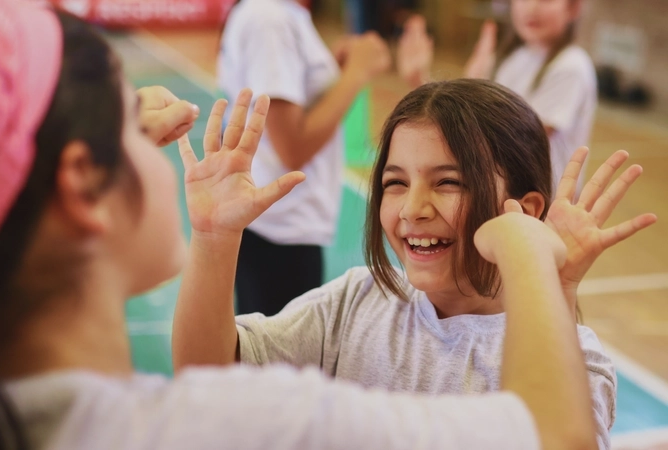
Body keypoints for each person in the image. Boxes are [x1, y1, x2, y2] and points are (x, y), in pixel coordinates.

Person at [0, 0, 603, 448]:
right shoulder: (242, 423)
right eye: (135, 118)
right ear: (80, 185)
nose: (170, 118)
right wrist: (530, 254)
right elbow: (553, 437)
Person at [172, 80, 658, 450]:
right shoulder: (355, 301)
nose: (412, 209)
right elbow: (207, 374)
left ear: (526, 210)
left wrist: (541, 270)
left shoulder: (577, 361)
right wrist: (215, 239)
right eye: (396, 182)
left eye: (448, 182)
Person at [219, 0, 391, 315]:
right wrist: (356, 73)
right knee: (278, 357)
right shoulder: (270, 19)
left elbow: (293, 112)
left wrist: (335, 73)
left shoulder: (280, 14)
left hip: (278, 222)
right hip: (279, 228)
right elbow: (292, 147)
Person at [397, 0, 597, 194]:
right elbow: (471, 116)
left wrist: (471, 89)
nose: (532, 7)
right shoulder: (513, 58)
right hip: (506, 193)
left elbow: (518, 137)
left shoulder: (571, 65)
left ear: (573, 7)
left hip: (541, 204)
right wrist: (419, 80)